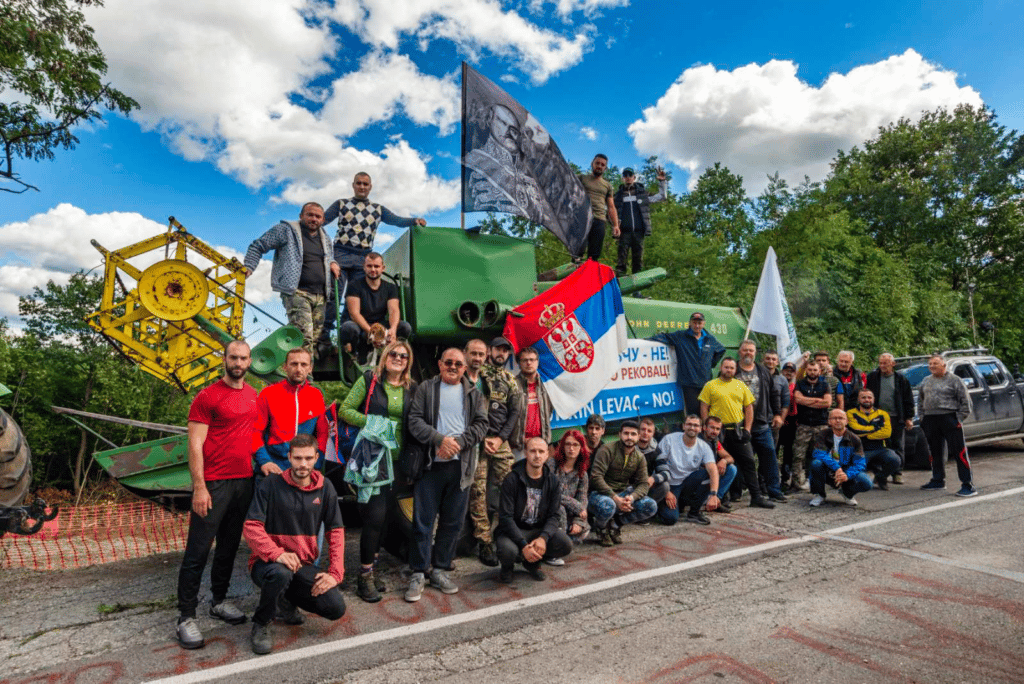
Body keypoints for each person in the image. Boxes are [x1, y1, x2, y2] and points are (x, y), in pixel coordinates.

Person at [175, 341, 258, 650]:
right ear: (224, 359)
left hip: (243, 483)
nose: (238, 362)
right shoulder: (207, 396)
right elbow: (195, 444)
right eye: (233, 357)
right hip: (214, 484)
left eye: (243, 358)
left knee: (228, 547)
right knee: (197, 549)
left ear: (250, 361)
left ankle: (219, 601)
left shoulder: (253, 396)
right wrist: (199, 486)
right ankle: (185, 616)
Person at [243, 434, 346, 655]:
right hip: (266, 563)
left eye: (308, 458)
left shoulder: (325, 487)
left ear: (317, 458)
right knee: (280, 573)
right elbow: (251, 526)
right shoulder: (271, 484)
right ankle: (262, 623)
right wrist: (277, 553)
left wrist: (335, 573)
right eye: (297, 458)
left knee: (335, 607)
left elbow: (335, 532)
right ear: (289, 457)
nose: (303, 464)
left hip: (302, 564)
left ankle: (285, 600)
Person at [405, 348, 488, 601]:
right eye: (448, 362)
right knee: (422, 522)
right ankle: (418, 572)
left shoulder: (474, 394)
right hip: (431, 466)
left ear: (465, 368)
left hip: (459, 468)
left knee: (452, 523)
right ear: (440, 364)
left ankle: (440, 569)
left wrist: (459, 443)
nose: (453, 367)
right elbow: (415, 420)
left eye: (458, 364)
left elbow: (482, 425)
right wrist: (439, 440)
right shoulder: (426, 389)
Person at [338, 339, 416, 602]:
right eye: (393, 353)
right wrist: (372, 423)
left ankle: (373, 569)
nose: (398, 358)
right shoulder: (370, 380)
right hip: (374, 462)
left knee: (387, 519)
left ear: (408, 362)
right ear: (385, 356)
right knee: (373, 518)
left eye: (403, 356)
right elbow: (345, 410)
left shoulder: (411, 387)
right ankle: (364, 576)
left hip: (400, 463)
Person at [320, 172, 426, 348]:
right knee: (333, 294)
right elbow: (321, 220)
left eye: (365, 184)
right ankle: (324, 337)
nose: (362, 187)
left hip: (363, 256)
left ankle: (352, 337)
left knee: (356, 296)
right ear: (353, 185)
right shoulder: (341, 204)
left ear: (370, 187)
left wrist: (413, 220)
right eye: (359, 183)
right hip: (341, 253)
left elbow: (396, 220)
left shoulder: (378, 209)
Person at [244, 203, 334, 357]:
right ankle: (305, 378)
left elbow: (328, 260)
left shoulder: (325, 237)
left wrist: (334, 264)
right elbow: (258, 245)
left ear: (323, 219)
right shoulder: (286, 230)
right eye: (310, 215)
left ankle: (299, 370)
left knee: (314, 340)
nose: (314, 219)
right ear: (301, 216)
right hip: (297, 292)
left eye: (318, 216)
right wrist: (249, 266)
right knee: (304, 336)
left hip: (320, 295)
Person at [464, 337, 522, 567]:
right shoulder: (479, 375)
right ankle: (484, 542)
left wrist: (499, 439)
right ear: (490, 351)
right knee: (477, 492)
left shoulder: (510, 380)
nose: (501, 353)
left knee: (510, 489)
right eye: (498, 349)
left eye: (506, 350)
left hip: (501, 442)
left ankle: (503, 534)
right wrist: (484, 437)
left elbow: (514, 414)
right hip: (477, 440)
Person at [698, 357, 775, 509]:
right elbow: (704, 407)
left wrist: (747, 429)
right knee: (719, 465)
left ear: (735, 369)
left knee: (749, 463)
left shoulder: (740, 385)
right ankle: (723, 498)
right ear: (721, 368)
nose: (729, 370)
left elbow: (749, 408)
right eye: (726, 367)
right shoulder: (710, 385)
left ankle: (756, 496)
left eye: (732, 368)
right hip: (718, 432)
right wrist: (707, 429)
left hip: (738, 430)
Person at [495, 437, 574, 583]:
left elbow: (554, 515)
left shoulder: (553, 481)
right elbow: (505, 517)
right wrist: (523, 545)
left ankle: (533, 564)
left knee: (565, 544)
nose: (537, 455)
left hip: (538, 530)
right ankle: (507, 567)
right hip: (515, 530)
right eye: (532, 451)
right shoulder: (511, 479)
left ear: (547, 454)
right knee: (507, 551)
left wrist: (543, 539)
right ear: (526, 453)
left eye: (541, 451)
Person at [252, 348, 328, 478]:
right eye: (294, 364)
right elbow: (255, 431)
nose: (299, 369)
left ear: (310, 368)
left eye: (303, 364)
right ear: (285, 367)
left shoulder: (316, 396)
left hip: (304, 470)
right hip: (273, 469)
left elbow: (323, 434)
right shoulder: (268, 393)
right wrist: (264, 461)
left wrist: (317, 464)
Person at [588, 420, 658, 545]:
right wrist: (615, 498)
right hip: (599, 495)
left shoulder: (639, 457)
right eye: (626, 433)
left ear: (638, 436)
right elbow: (596, 477)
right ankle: (601, 528)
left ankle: (615, 525)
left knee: (650, 506)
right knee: (609, 505)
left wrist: (631, 498)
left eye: (633, 434)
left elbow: (643, 484)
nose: (629, 437)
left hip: (623, 494)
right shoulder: (607, 450)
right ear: (619, 434)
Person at [735, 340, 787, 503]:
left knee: (770, 456)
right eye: (745, 350)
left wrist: (778, 414)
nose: (748, 353)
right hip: (739, 424)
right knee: (741, 459)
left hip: (762, 422)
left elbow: (774, 394)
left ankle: (774, 490)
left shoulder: (763, 371)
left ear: (755, 353)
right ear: (739, 352)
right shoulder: (732, 370)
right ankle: (737, 492)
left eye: (751, 350)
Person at [918, 355, 976, 496]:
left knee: (959, 453)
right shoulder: (926, 381)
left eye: (936, 363)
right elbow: (920, 401)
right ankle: (938, 480)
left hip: (949, 418)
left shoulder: (955, 380)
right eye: (930, 363)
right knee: (935, 452)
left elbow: (966, 402)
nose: (932, 366)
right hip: (931, 420)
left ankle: (968, 485)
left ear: (944, 365)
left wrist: (958, 419)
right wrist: (922, 418)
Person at [651, 312, 726, 416]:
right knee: (693, 414)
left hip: (706, 382)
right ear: (690, 323)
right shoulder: (680, 336)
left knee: (707, 412)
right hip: (689, 384)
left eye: (699, 323)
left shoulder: (710, 339)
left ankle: (704, 431)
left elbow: (721, 350)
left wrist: (710, 364)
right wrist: (642, 342)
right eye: (694, 323)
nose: (697, 325)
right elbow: (664, 337)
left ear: (703, 323)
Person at [656, 415, 726, 525]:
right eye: (689, 424)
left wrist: (713, 495)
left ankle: (694, 513)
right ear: (684, 426)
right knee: (670, 519)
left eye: (696, 425)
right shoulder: (669, 439)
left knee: (707, 473)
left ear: (701, 428)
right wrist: (666, 492)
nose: (692, 428)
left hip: (687, 484)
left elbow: (713, 470)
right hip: (669, 485)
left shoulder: (703, 446)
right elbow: (657, 465)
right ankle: (663, 506)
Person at [338, 252, 411, 356]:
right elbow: (354, 313)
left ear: (383, 268)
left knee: (405, 327)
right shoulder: (354, 285)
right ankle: (354, 355)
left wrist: (393, 329)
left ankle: (392, 353)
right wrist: (372, 334)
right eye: (369, 266)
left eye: (376, 266)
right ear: (364, 267)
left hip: (379, 326)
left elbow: (393, 310)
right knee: (349, 328)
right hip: (360, 326)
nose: (373, 269)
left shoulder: (390, 287)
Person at [866, 353, 915, 484]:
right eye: (880, 363)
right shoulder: (873, 377)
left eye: (885, 363)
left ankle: (897, 472)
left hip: (895, 417)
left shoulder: (900, 379)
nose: (882, 366)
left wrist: (908, 417)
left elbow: (908, 399)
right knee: (878, 445)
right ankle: (879, 472)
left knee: (897, 445)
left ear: (892, 364)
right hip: (877, 417)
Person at [808, 410, 871, 507]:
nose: (837, 420)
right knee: (816, 463)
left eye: (841, 418)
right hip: (828, 469)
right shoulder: (823, 435)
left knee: (867, 483)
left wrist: (847, 475)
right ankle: (819, 494)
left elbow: (860, 463)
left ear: (847, 421)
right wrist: (837, 468)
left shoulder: (854, 439)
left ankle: (847, 493)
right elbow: (818, 453)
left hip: (845, 470)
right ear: (829, 421)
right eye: (834, 418)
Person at [613, 166, 667, 276]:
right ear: (622, 178)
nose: (628, 178)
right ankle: (619, 287)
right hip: (623, 233)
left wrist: (662, 181)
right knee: (621, 262)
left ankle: (637, 292)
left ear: (634, 177)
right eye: (625, 175)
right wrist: (614, 225)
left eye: (630, 175)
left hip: (639, 233)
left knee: (637, 262)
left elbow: (662, 197)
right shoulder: (617, 196)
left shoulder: (643, 194)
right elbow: (608, 210)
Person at [846, 388, 901, 490]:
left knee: (895, 459)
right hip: (860, 450)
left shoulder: (883, 414)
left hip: (880, 448)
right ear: (858, 399)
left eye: (869, 397)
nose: (867, 400)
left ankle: (881, 478)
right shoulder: (850, 413)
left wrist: (867, 435)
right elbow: (855, 430)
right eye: (863, 397)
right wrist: (876, 428)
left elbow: (887, 433)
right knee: (857, 479)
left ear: (873, 399)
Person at [790, 359, 832, 491]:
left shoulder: (825, 384)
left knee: (818, 455)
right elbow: (797, 399)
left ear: (819, 371)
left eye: (815, 370)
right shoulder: (801, 384)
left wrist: (806, 400)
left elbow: (827, 403)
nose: (812, 372)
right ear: (806, 370)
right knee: (798, 454)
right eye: (810, 369)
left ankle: (815, 481)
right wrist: (817, 400)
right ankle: (797, 482)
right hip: (804, 424)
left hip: (821, 425)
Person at [548, 430, 591, 554]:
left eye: (575, 445)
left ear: (581, 448)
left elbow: (582, 498)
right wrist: (576, 505)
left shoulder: (582, 472)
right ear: (562, 446)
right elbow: (551, 493)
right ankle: (558, 544)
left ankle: (568, 536)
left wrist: (578, 522)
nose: (571, 448)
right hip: (552, 509)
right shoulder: (552, 464)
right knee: (559, 508)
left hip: (571, 513)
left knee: (583, 529)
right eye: (568, 444)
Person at [576, 154, 619, 261]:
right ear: (592, 164)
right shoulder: (581, 178)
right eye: (597, 163)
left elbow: (611, 207)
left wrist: (616, 225)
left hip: (599, 220)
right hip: (582, 217)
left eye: (602, 164)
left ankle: (590, 275)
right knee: (577, 251)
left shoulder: (607, 186)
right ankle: (575, 271)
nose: (599, 166)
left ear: (605, 168)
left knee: (594, 254)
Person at [513, 346, 552, 453]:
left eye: (532, 360)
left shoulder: (546, 385)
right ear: (519, 363)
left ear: (537, 362)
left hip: (541, 442)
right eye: (525, 360)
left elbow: (550, 410)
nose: (529, 363)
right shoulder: (512, 385)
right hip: (519, 445)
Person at [700, 416, 737, 512]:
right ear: (704, 428)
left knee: (732, 468)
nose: (714, 431)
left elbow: (730, 458)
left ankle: (715, 500)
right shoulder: (698, 441)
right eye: (712, 427)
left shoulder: (715, 441)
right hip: (699, 476)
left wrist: (723, 461)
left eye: (717, 429)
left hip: (711, 474)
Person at [636, 417, 670, 507]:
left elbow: (666, 473)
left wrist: (653, 479)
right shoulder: (629, 446)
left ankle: (643, 510)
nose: (645, 433)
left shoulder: (656, 450)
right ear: (638, 431)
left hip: (646, 485)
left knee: (665, 486)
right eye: (643, 429)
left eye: (649, 431)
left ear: (653, 434)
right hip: (629, 485)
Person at [762, 351, 791, 451]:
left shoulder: (782, 380)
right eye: (768, 358)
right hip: (757, 420)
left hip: (773, 421)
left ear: (777, 362)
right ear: (763, 360)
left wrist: (781, 420)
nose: (770, 361)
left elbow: (786, 402)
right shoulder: (757, 375)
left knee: (771, 451)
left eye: (773, 359)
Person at [777, 361, 798, 486]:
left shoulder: (797, 386)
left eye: (791, 371)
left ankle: (785, 477)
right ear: (782, 371)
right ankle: (772, 476)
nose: (788, 373)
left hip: (792, 421)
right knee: (775, 448)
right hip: (778, 418)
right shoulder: (777, 384)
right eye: (786, 370)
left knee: (789, 451)